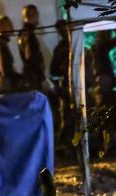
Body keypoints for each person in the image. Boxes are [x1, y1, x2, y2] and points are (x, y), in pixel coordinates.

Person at [50, 20, 72, 152]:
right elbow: (53, 71)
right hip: (66, 87)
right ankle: (63, 147)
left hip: (72, 85)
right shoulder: (61, 48)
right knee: (68, 118)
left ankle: (66, 146)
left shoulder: (71, 44)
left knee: (70, 117)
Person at [91, 29, 116, 106]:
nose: (110, 36)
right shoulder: (101, 45)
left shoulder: (98, 45)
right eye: (109, 33)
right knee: (107, 103)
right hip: (104, 78)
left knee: (106, 102)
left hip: (102, 78)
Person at [0, 16, 22, 93]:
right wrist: (18, 78)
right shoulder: (0, 46)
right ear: (1, 27)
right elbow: (4, 68)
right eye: (9, 25)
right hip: (6, 85)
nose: (12, 27)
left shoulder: (2, 44)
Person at [18, 5, 47, 92]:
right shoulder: (29, 35)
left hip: (31, 77)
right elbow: (32, 58)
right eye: (37, 14)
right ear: (32, 15)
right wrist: (41, 78)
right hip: (33, 78)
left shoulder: (23, 33)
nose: (38, 17)